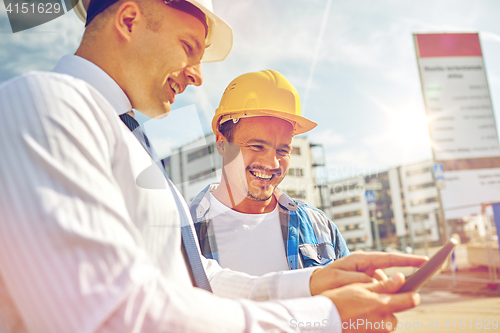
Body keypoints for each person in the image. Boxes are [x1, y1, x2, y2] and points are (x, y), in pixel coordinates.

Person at [0, 0, 427, 332]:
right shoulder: (44, 104)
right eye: (189, 47)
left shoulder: (127, 141)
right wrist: (321, 317)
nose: (199, 76)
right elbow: (107, 315)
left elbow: (196, 281)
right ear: (128, 20)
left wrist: (315, 284)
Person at [190, 70, 349, 276]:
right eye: (257, 146)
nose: (272, 163)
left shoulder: (320, 228)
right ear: (222, 143)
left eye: (283, 150)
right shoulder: (182, 233)